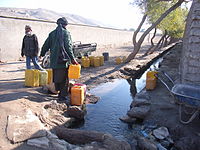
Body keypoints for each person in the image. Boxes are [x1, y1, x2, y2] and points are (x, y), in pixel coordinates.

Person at [39, 17, 78, 102]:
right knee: (64, 79)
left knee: (56, 77)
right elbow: (68, 47)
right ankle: (62, 96)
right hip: (63, 61)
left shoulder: (52, 33)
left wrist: (41, 54)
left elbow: (46, 45)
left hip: (54, 60)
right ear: (65, 25)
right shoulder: (66, 33)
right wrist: (72, 59)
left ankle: (58, 91)